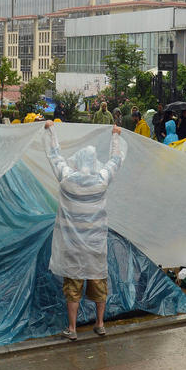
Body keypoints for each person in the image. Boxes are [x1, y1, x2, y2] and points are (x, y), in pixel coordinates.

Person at [44, 120, 125, 341]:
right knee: (99, 281)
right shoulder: (101, 180)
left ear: (78, 162)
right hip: (95, 245)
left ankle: (72, 328)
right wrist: (115, 135)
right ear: (93, 162)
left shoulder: (67, 178)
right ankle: (99, 324)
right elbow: (116, 160)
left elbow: (54, 155)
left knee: (73, 286)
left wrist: (51, 130)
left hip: (72, 246)